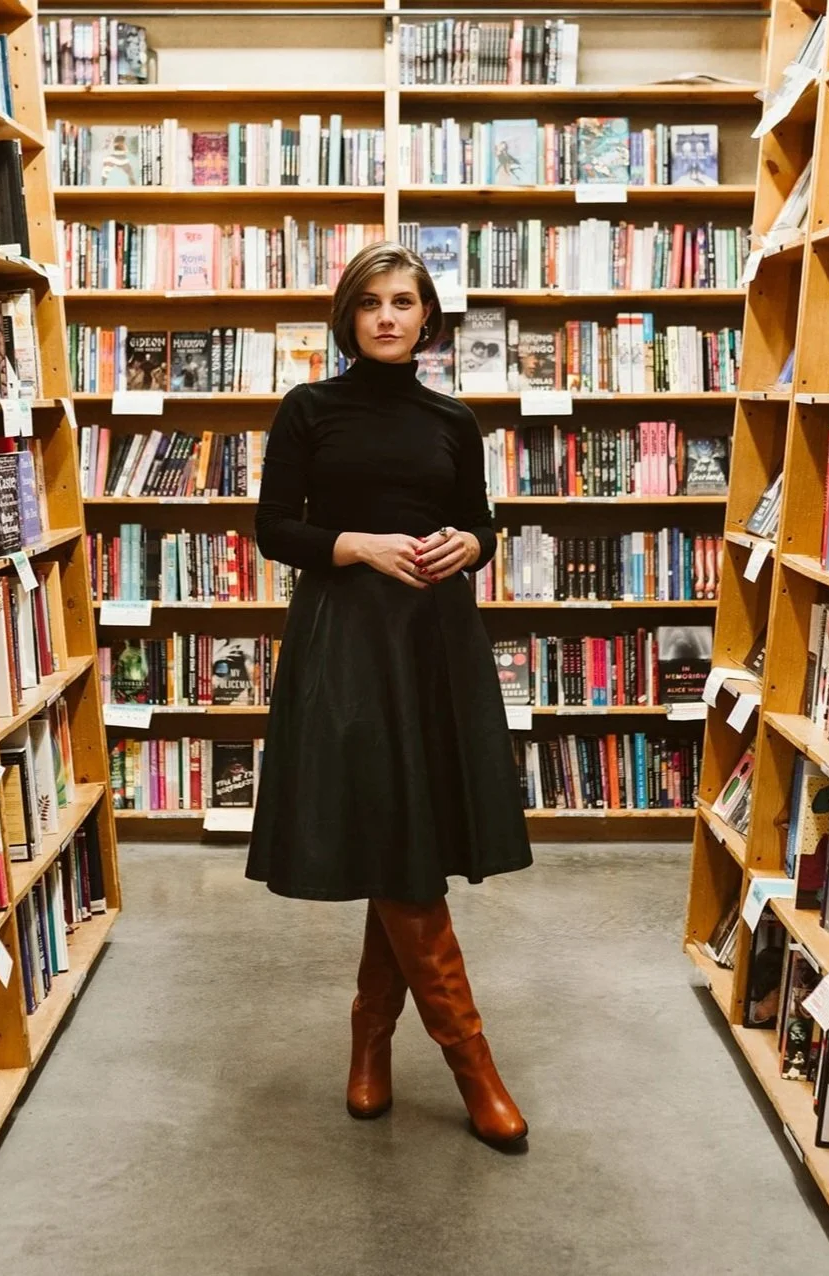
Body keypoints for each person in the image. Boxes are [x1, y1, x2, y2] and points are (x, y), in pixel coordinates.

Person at [246, 241, 533, 1150]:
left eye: (404, 301)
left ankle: (370, 1039)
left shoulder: (453, 419)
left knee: (402, 837)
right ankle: (471, 1062)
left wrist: (470, 548)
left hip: (434, 642)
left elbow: (481, 522)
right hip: (345, 644)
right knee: (400, 839)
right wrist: (357, 546)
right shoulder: (309, 409)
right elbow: (273, 529)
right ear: (347, 314)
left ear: (426, 316)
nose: (387, 316)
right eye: (370, 301)